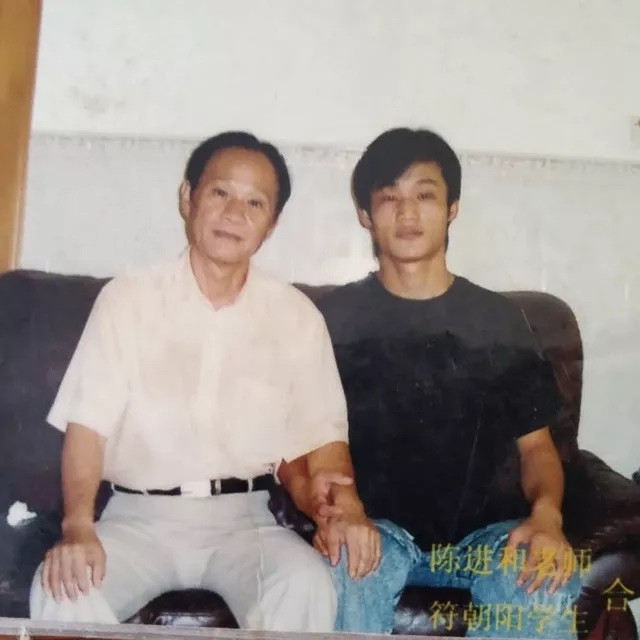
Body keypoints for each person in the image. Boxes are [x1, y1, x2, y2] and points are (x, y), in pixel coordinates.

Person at [28, 131, 379, 631]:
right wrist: (77, 527)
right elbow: (87, 429)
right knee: (61, 591)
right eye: (220, 192)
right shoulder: (128, 300)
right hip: (136, 520)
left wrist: (342, 513)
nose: (235, 213)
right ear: (187, 197)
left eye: (255, 203)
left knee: (304, 583)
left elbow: (323, 446)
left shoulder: (296, 318)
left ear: (272, 224)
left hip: (247, 525)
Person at [304, 127, 585, 637]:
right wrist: (340, 516)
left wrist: (547, 516)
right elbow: (304, 445)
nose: (407, 213)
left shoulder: (498, 320)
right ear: (366, 214)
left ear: (452, 208)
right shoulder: (333, 320)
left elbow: (537, 448)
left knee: (544, 578)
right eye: (390, 198)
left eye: (424, 195)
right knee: (345, 565)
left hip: (487, 540)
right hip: (378, 535)